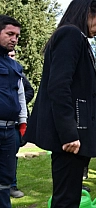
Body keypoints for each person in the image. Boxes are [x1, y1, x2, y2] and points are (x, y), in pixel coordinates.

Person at [24, 1, 96, 207]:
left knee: (70, 197)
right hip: (70, 139)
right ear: (89, 12)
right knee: (66, 200)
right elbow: (59, 87)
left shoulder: (76, 38)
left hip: (76, 136)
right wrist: (69, 132)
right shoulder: (70, 34)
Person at [0, 15, 28, 208]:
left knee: (5, 180)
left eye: (17, 36)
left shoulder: (15, 66)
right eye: (10, 34)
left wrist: (23, 122)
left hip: (10, 132)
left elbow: (21, 96)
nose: (14, 39)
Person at [8, 50, 34, 198]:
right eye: (9, 55)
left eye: (13, 55)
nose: (11, 58)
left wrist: (16, 105)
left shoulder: (19, 74)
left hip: (15, 124)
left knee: (11, 156)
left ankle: (12, 185)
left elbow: (28, 92)